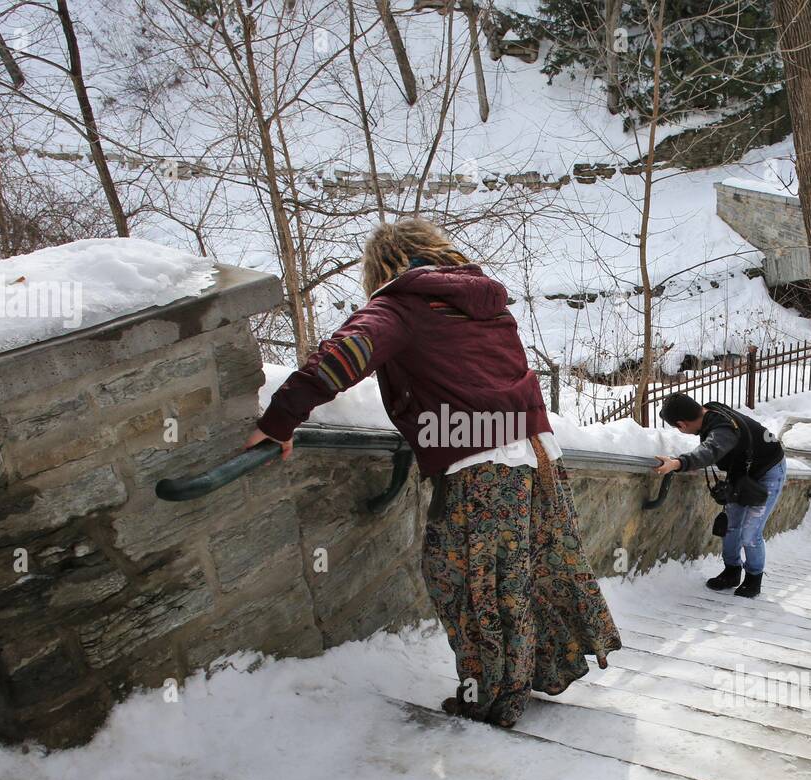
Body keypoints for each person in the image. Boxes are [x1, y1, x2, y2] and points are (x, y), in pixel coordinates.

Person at [246, 217, 620, 729]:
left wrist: (280, 418)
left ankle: (491, 698)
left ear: (383, 268)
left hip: (481, 462)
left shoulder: (402, 304)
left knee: (467, 582)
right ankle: (529, 674)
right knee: (521, 572)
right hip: (537, 454)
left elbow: (347, 352)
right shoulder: (484, 302)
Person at [651, 395, 787, 598]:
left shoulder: (722, 429)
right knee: (732, 526)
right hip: (742, 474)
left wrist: (677, 463)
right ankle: (731, 572)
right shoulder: (709, 412)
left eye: (678, 427)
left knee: (750, 533)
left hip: (769, 471)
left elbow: (710, 450)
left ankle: (753, 578)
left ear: (682, 424)